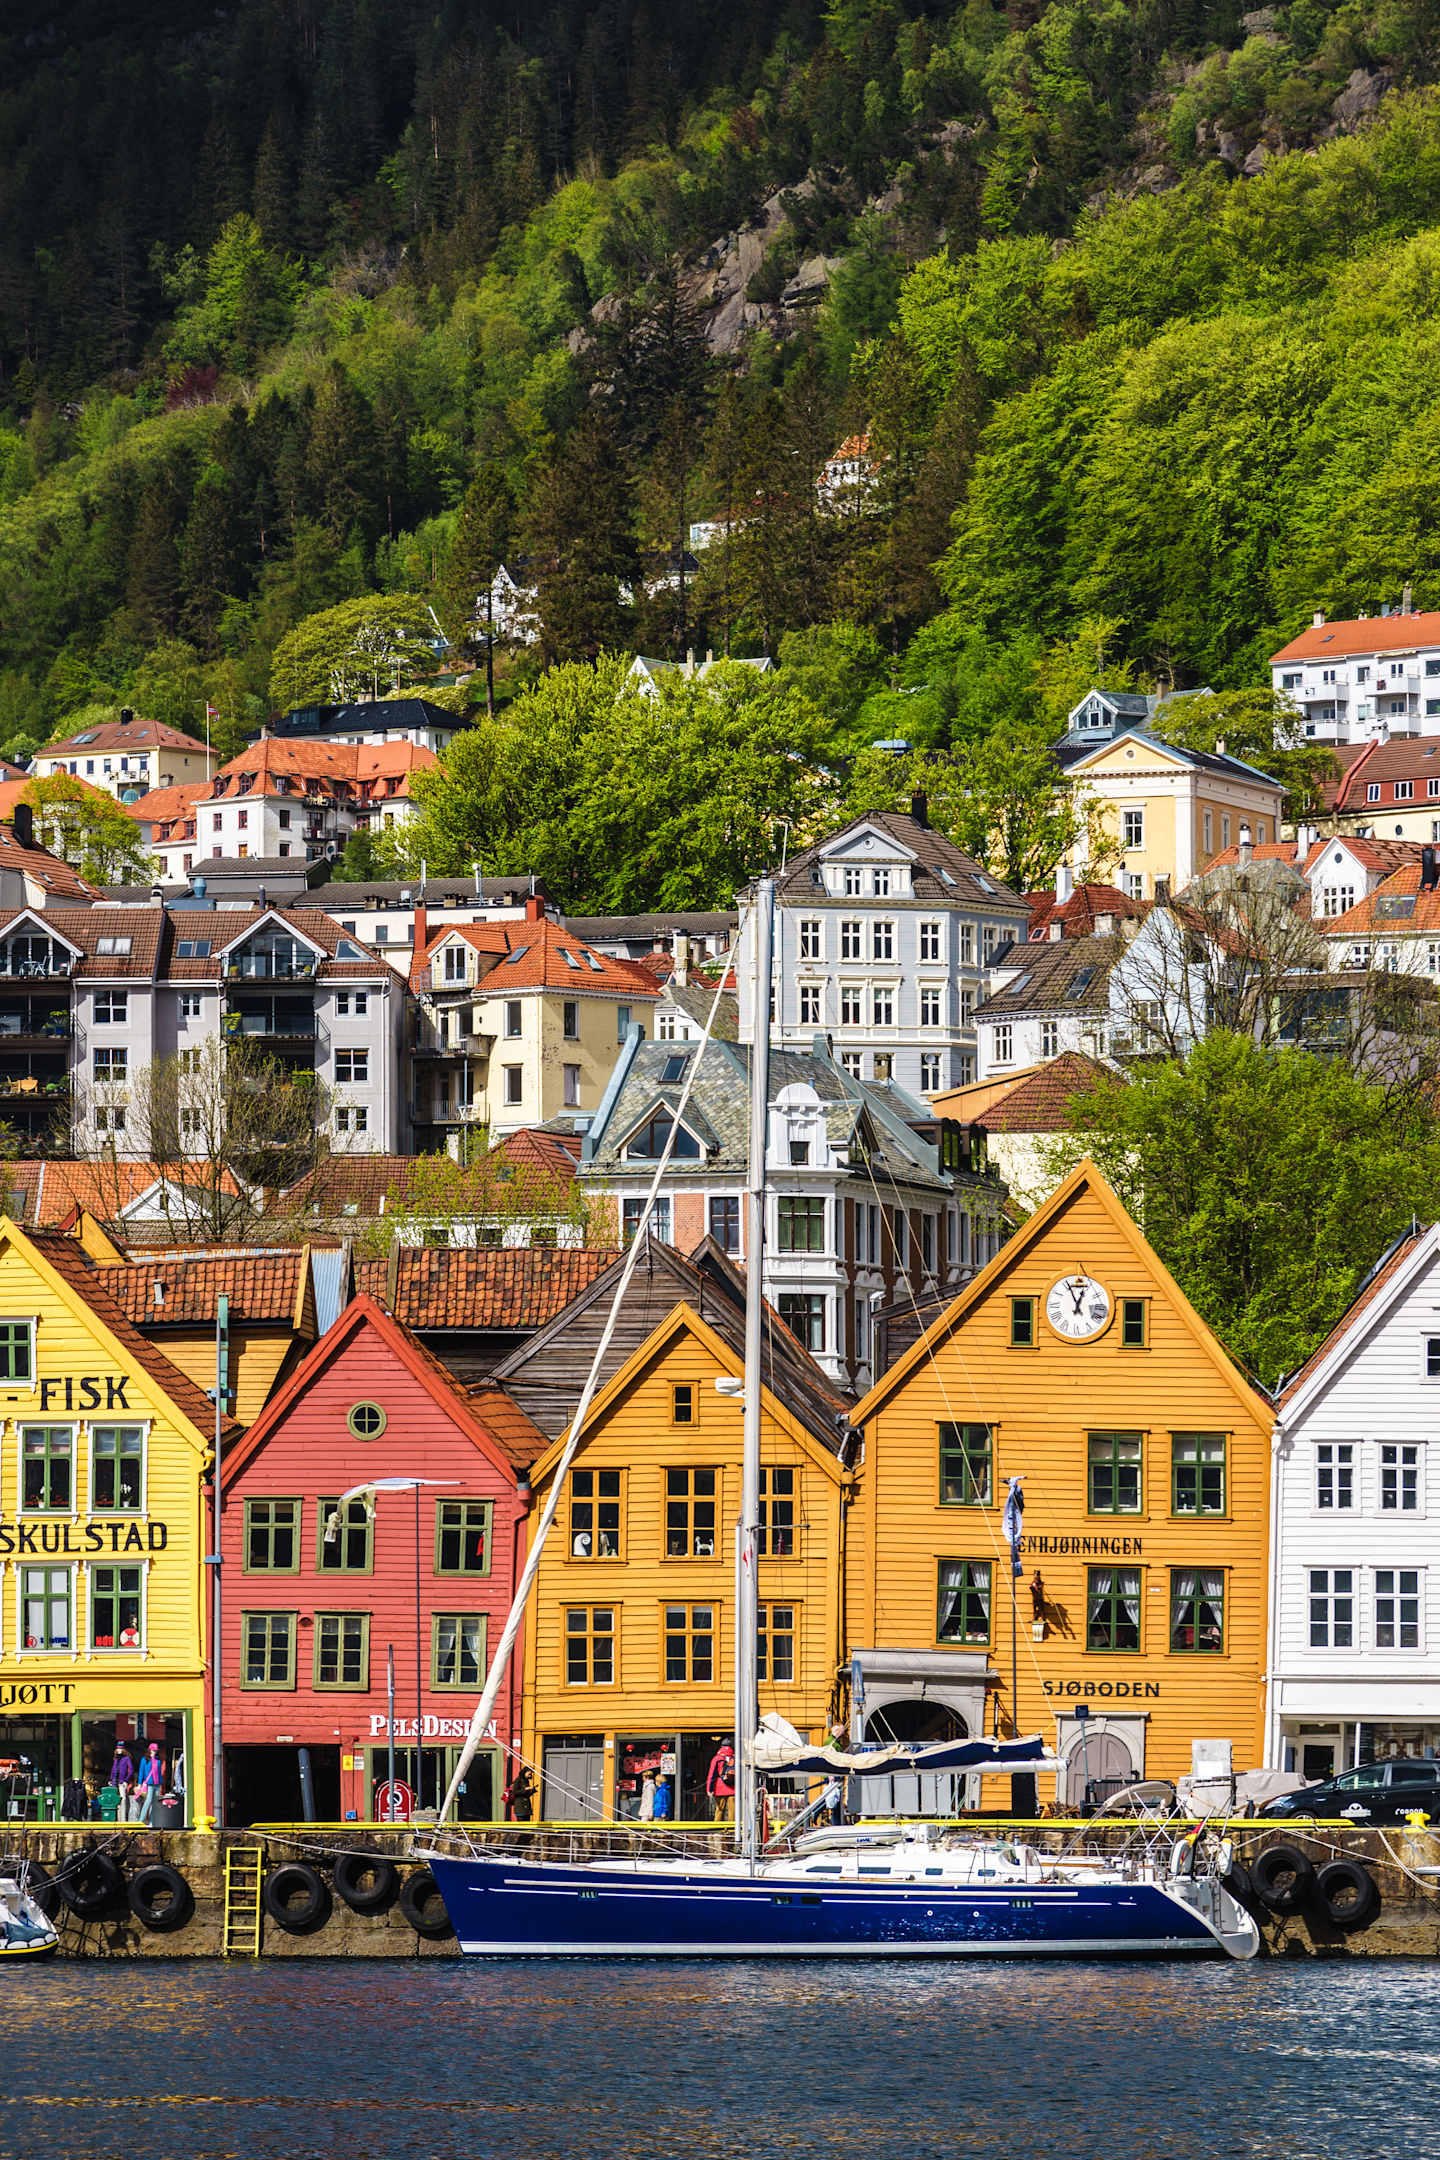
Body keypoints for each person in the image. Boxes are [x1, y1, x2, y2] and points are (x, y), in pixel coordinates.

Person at [706, 1739, 736, 1823]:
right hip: (733, 1788)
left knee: (719, 1810)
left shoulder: (717, 1758)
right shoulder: (735, 1758)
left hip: (719, 1788)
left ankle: (717, 1831)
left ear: (721, 1747)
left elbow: (712, 1775)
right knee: (732, 1812)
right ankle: (731, 1832)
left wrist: (709, 1789)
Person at [133, 1742, 164, 1823]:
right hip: (149, 1784)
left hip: (157, 1784)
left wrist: (161, 1784)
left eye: (155, 1751)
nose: (154, 1752)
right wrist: (139, 1784)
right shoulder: (144, 1759)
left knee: (155, 1803)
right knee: (148, 1801)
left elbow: (159, 1773)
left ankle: (151, 1822)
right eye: (153, 1750)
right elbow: (141, 1772)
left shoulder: (158, 1761)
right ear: (149, 1750)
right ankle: (141, 1820)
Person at [110, 1741, 135, 1817]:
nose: (119, 1750)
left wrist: (126, 1780)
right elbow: (113, 1769)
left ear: (123, 1749)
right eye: (118, 1748)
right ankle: (116, 1817)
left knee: (123, 1799)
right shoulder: (116, 1758)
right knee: (114, 1798)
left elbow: (131, 1770)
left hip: (122, 1781)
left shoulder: (126, 1758)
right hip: (114, 1780)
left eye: (121, 1748)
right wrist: (111, 1779)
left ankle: (123, 1817)